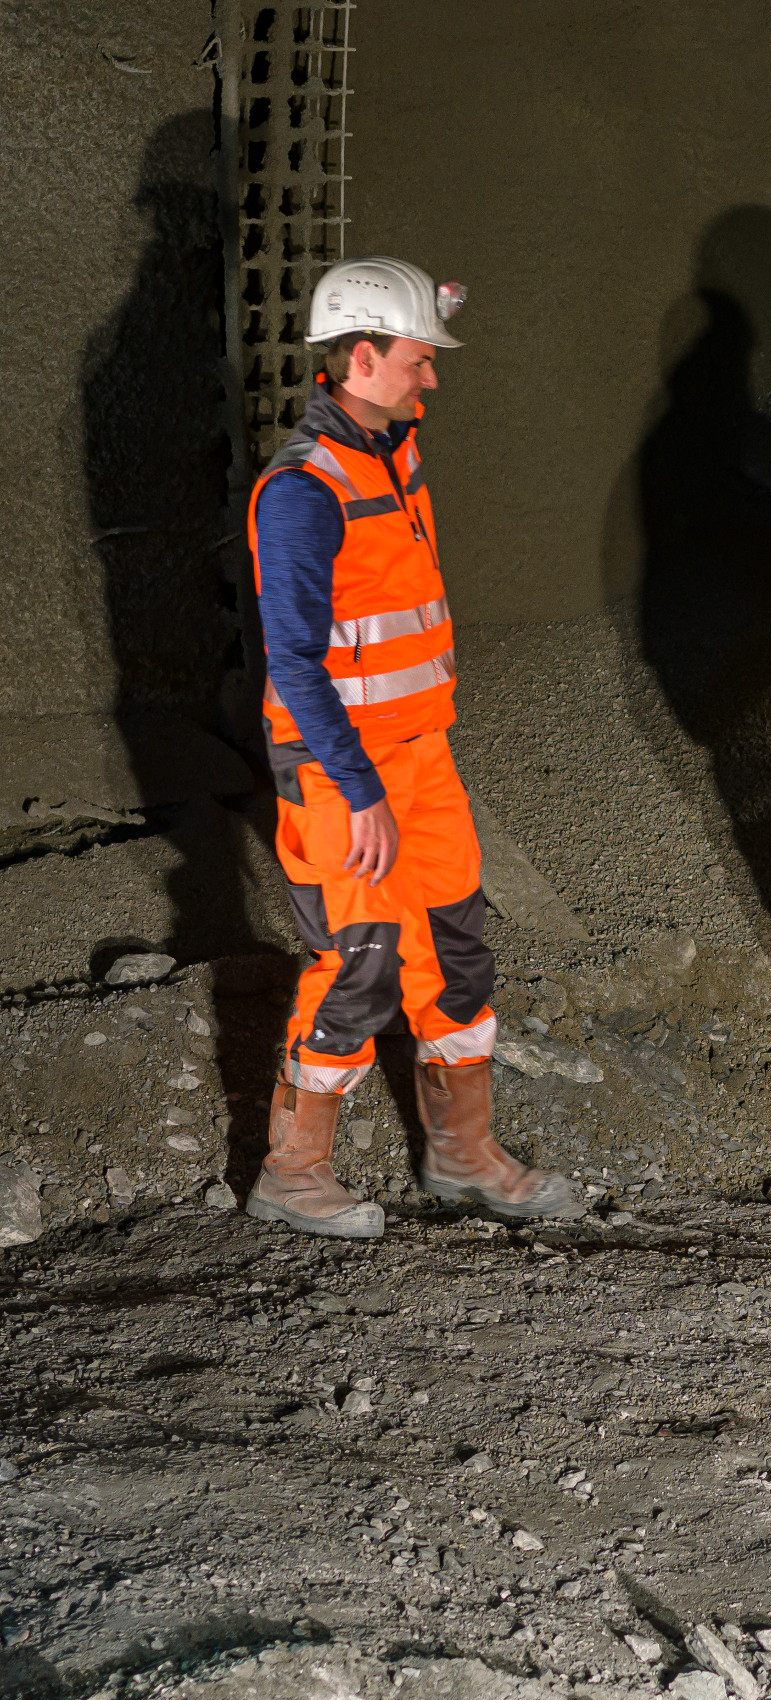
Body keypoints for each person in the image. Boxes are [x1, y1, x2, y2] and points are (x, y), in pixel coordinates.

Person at [245, 256, 583, 1239]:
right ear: (360, 358)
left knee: (455, 947)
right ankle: (292, 1169)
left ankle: (462, 1154)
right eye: (416, 360)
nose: (430, 378)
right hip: (336, 765)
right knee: (359, 956)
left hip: (421, 754)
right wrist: (357, 789)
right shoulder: (302, 491)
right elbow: (298, 666)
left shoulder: (392, 459)